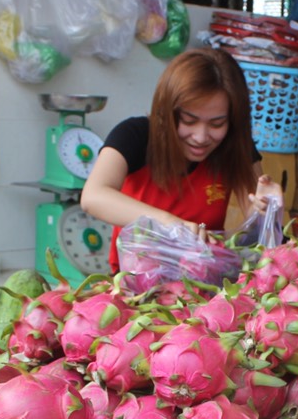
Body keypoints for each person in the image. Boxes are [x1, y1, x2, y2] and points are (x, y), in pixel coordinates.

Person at [80, 47, 281, 272]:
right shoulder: (134, 136)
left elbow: (256, 230)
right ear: (167, 111)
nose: (201, 137)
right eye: (188, 120)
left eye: (217, 124)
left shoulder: (233, 146)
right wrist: (171, 225)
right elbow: (93, 196)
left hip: (205, 284)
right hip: (135, 285)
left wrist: (267, 211)